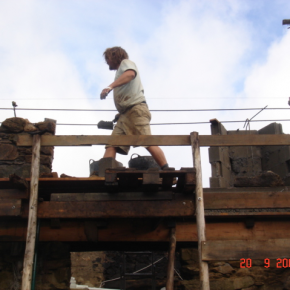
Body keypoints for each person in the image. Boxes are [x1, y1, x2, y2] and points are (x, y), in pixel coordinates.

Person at [100, 46, 170, 169]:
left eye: (107, 58)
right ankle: (105, 172)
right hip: (125, 115)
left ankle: (166, 168)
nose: (106, 62)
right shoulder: (119, 72)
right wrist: (121, 112)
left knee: (146, 140)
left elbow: (130, 74)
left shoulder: (125, 63)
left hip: (136, 110)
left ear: (114, 56)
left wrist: (109, 87)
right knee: (112, 144)